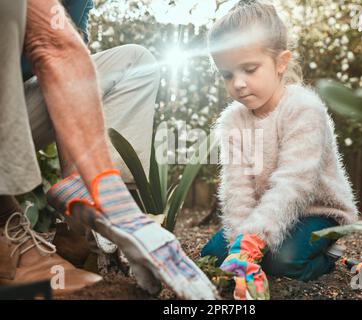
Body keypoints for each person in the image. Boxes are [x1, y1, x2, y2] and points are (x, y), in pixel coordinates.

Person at [0, 0, 217, 299]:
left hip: (14, 110)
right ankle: (3, 224)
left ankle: (86, 233)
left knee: (136, 62)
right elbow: (50, 44)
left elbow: (63, 65)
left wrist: (95, 197)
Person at [200, 0, 358, 300]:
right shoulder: (233, 121)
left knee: (284, 260)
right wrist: (241, 243)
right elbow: (238, 190)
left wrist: (253, 243)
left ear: (281, 62)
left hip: (317, 211)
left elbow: (294, 185)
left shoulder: (304, 110)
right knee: (213, 256)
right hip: (266, 214)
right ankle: (257, 249)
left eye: (249, 69)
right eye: (227, 75)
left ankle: (330, 256)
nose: (239, 84)